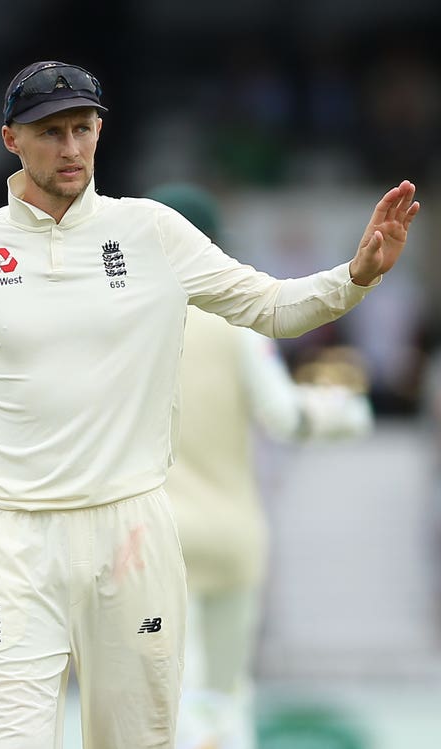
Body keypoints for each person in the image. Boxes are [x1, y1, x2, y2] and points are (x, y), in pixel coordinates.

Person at [0, 59, 419, 749]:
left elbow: (269, 305)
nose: (71, 148)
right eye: (52, 131)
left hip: (132, 534)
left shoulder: (152, 232)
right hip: (11, 540)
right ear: (11, 140)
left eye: (83, 129)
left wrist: (355, 276)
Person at [148, 183, 374, 749]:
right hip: (234, 536)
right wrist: (345, 412)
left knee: (171, 702)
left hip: (154, 541)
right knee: (226, 701)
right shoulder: (237, 324)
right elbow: (284, 417)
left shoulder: (127, 325)